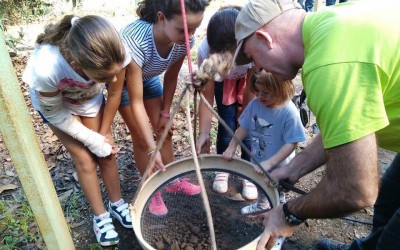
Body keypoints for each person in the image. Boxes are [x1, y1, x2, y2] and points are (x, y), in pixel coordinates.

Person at [232, 0, 400, 249]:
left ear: (264, 38)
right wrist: (293, 169)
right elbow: (346, 126)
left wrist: (288, 213)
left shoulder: (328, 65)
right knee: (389, 201)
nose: (257, 68)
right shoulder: (331, 25)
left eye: (251, 56)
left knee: (394, 240)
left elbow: (356, 190)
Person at [22, 15, 133, 246]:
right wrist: (91, 139)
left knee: (106, 152)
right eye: (106, 76)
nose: (114, 78)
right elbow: (54, 114)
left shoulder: (114, 51)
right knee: (85, 158)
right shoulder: (46, 67)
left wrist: (102, 135)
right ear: (76, 66)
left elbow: (113, 93)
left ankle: (116, 203)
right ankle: (100, 216)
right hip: (56, 104)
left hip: (87, 95)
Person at [99, 0, 209, 217]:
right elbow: (136, 100)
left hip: (147, 78)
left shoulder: (184, 38)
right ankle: (152, 187)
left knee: (164, 129)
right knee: (142, 139)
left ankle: (171, 180)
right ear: (161, 18)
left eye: (195, 29)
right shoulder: (135, 40)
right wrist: (152, 147)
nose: (189, 35)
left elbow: (171, 76)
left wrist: (166, 113)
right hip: (121, 85)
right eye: (183, 29)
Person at [222, 70, 306, 215]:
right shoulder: (255, 104)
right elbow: (243, 128)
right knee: (260, 185)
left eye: (266, 92)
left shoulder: (288, 112)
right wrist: (231, 146)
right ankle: (261, 206)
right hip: (259, 158)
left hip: (279, 164)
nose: (260, 96)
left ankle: (279, 218)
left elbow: (292, 143)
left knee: (277, 192)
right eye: (258, 91)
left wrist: (271, 163)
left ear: (281, 88)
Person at [196, 6, 257, 200]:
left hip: (248, 84)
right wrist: (204, 133)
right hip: (225, 86)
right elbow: (206, 96)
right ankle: (224, 166)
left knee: (247, 128)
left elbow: (251, 89)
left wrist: (244, 115)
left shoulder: (251, 46)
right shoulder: (205, 51)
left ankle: (250, 172)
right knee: (227, 124)